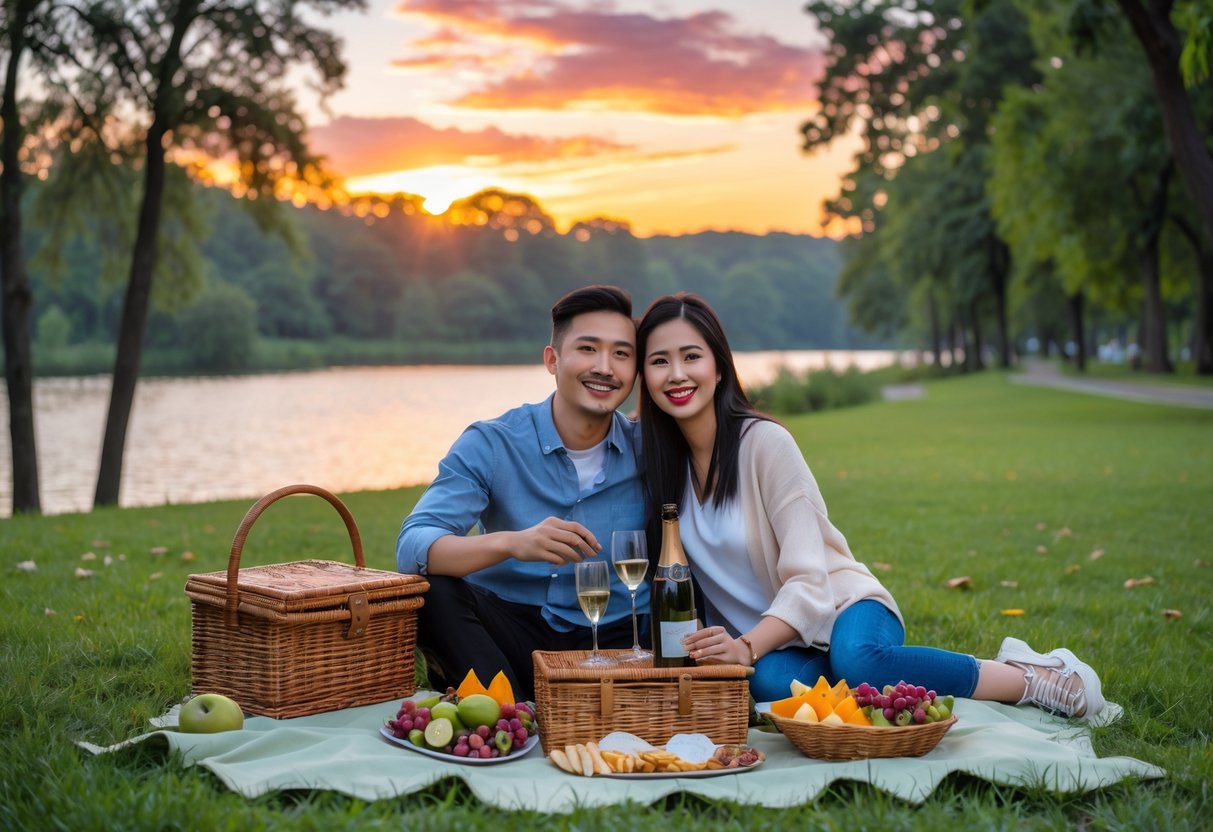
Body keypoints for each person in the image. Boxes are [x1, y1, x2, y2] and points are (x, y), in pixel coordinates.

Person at [635, 292, 1105, 719]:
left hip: (839, 606)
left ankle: (1031, 677)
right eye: (659, 361)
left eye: (691, 357)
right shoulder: (657, 463)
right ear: (645, 376)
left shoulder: (764, 444)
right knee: (772, 684)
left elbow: (809, 580)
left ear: (718, 368)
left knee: (858, 658)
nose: (676, 374)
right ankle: (857, 683)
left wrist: (745, 646)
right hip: (771, 645)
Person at [397, 285, 647, 699]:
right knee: (435, 591)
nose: (605, 367)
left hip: (620, 639)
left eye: (621, 354)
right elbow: (414, 544)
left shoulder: (650, 451)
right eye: (588, 349)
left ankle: (507, 702)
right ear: (552, 359)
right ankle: (508, 710)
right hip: (512, 633)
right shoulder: (492, 443)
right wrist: (514, 543)